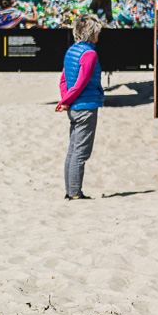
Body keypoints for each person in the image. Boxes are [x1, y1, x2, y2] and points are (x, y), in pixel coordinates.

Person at [54, 13, 104, 200]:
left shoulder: (72, 50)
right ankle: (75, 193)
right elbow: (81, 83)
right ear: (92, 34)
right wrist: (66, 101)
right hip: (85, 107)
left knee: (73, 150)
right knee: (81, 153)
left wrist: (66, 100)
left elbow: (64, 79)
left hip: (74, 107)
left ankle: (70, 191)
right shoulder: (89, 54)